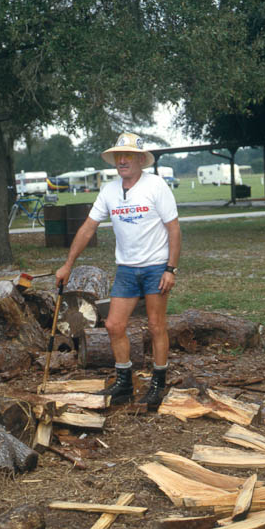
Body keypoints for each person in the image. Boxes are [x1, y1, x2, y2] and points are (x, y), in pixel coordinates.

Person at [55, 132, 181, 408]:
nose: (122, 161)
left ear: (139, 159)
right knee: (113, 325)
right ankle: (124, 382)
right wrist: (67, 265)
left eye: (128, 156)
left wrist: (170, 269)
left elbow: (174, 228)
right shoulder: (109, 191)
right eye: (118, 156)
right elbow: (88, 228)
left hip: (155, 267)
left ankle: (158, 385)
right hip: (126, 269)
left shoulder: (156, 186)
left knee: (156, 325)